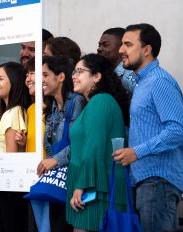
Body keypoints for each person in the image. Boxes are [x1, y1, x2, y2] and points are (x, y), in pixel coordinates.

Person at [114, 23, 183, 232]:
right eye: (121, 45)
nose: (121, 50)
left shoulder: (159, 82)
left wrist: (137, 152)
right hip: (148, 182)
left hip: (158, 181)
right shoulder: (142, 83)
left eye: (128, 44)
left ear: (147, 50)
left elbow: (178, 130)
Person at [66, 54, 130, 231]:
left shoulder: (100, 101)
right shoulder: (96, 102)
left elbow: (93, 147)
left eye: (80, 71)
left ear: (97, 76)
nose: (74, 76)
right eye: (73, 71)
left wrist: (81, 186)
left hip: (95, 189)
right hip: (93, 187)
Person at [39, 56, 84, 231]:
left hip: (73, 181)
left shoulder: (77, 102)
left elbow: (81, 143)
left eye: (45, 75)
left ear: (61, 77)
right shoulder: (52, 107)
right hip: (57, 181)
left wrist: (55, 160)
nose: (41, 80)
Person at [0, 62, 31, 232]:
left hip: (10, 188)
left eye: (0, 78)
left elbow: (11, 158)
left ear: (14, 82)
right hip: (7, 188)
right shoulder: (10, 112)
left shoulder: (14, 112)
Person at [97, 27, 136, 92]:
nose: (99, 49)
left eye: (105, 45)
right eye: (99, 45)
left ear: (122, 48)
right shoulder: (107, 72)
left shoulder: (129, 75)